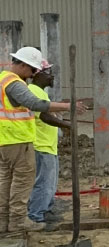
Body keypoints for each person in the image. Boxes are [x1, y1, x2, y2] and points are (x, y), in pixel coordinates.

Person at [0, 46, 84, 237]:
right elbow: (35, 104)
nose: (32, 75)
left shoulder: (2, 79)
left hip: (6, 140)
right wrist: (67, 106)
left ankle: (4, 222)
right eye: (32, 69)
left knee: (6, 182)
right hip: (18, 140)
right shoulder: (14, 83)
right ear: (23, 65)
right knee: (22, 183)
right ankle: (17, 223)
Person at [27, 60, 69, 230]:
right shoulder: (33, 91)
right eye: (48, 73)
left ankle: (46, 210)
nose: (52, 77)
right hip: (41, 145)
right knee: (43, 182)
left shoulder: (40, 92)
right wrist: (66, 125)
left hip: (48, 145)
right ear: (38, 74)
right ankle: (36, 216)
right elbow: (43, 116)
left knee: (50, 182)